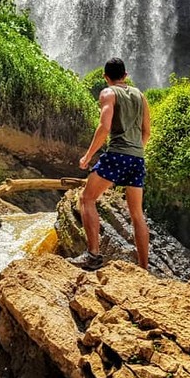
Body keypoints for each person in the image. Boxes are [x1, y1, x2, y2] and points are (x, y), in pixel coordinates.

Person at [67, 58, 151, 271]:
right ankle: (143, 268)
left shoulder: (108, 93)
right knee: (137, 214)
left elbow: (104, 127)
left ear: (106, 77)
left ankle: (93, 255)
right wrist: (135, 150)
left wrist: (87, 157)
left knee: (86, 198)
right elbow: (146, 131)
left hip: (117, 155)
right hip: (137, 158)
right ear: (126, 75)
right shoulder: (140, 96)